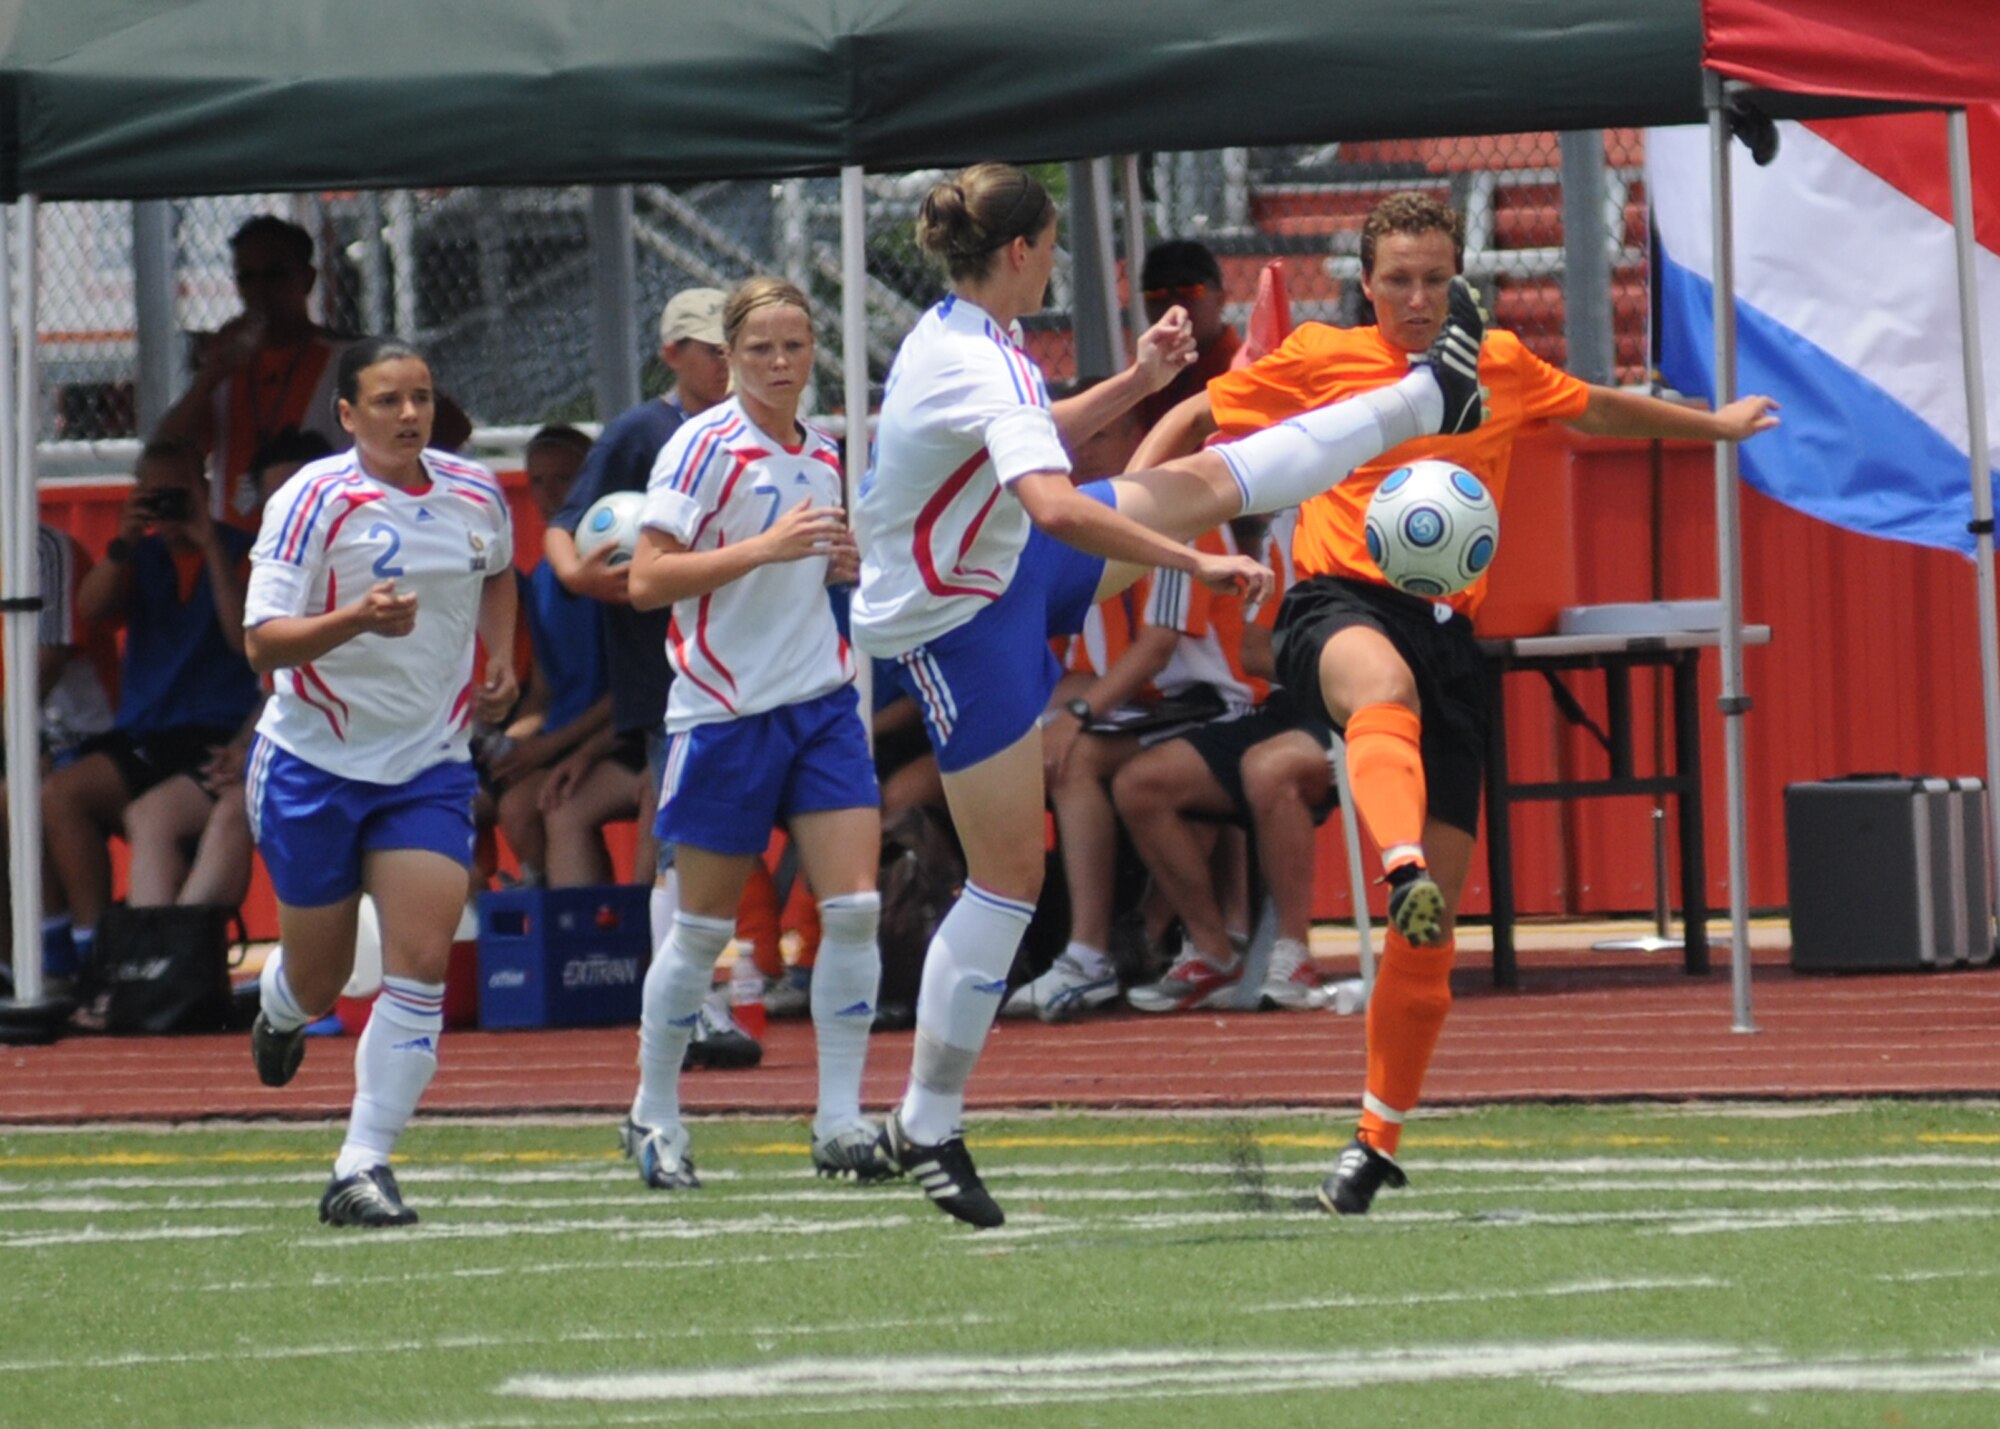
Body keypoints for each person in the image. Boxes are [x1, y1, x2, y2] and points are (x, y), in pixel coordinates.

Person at [849, 161, 1489, 1228]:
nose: (1055, 260)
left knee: (1206, 480)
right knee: (1008, 881)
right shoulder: (974, 360)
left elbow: (1030, 435)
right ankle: (925, 1120)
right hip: (960, 623)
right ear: (1019, 254)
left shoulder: (971, 333)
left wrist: (1138, 383)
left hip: (997, 563)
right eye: (1051, 244)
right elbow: (1053, 505)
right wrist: (1185, 566)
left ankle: (1427, 394)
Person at [1136, 190, 1779, 1215]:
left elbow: (1595, 405)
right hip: (1335, 603)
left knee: (1428, 945)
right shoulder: (1319, 354)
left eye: (1434, 277)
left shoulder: (1495, 366)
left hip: (1448, 639)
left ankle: (1373, 1142)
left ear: (1458, 276)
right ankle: (1395, 866)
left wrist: (1712, 425)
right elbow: (1196, 412)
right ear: (1364, 280)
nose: (1417, 296)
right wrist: (1132, 508)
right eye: (1397, 278)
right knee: (1376, 690)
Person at [619, 276, 890, 1189]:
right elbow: (648, 579)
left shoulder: (825, 447)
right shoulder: (700, 448)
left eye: (797, 345)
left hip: (818, 702)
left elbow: (821, 570)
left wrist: (841, 563)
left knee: (855, 907)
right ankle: (654, 1114)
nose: (782, 363)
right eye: (762, 348)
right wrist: (766, 550)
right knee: (700, 933)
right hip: (725, 711)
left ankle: (841, 1119)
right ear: (728, 356)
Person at [241, 337, 518, 1228]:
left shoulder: (474, 491)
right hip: (315, 762)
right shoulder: (313, 500)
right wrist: (355, 616)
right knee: (324, 982)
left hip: (427, 763)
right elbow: (262, 642)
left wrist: (502, 655)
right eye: (389, 401)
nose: (410, 416)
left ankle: (363, 1163)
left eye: (423, 398)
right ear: (348, 415)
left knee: (423, 958)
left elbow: (500, 571)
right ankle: (283, 1001)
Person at [541, 288, 757, 1064]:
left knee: (737, 836)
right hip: (673, 677)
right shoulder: (645, 431)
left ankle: (715, 993)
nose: (729, 363)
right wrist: (581, 579)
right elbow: (567, 524)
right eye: (712, 349)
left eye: (738, 345)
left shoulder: (760, 430)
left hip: (757, 666)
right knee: (685, 839)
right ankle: (690, 1008)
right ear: (673, 355)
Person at [39, 440, 261, 975]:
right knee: (60, 795)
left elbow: (243, 640)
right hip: (147, 732)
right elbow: (91, 610)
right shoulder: (140, 556)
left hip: (213, 730)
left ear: (204, 488)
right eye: (154, 492)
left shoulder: (241, 550)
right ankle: (98, 950)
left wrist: (207, 545)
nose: (167, 503)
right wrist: (124, 540)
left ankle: (148, 967)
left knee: (153, 817)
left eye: (178, 491)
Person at [1112, 515, 1344, 1012]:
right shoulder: (1284, 536)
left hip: (1352, 703)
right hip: (1291, 702)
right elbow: (1257, 653)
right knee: (1141, 784)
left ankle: (1294, 951)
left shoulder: (1366, 534)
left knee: (1268, 769)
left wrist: (1351, 669)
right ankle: (1213, 951)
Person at [123, 429, 336, 915]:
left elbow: (336, 692)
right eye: (273, 502)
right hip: (275, 747)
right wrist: (244, 746)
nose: (286, 512)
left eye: (300, 496)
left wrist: (261, 752)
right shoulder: (276, 573)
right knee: (151, 814)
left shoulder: (362, 569)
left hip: (346, 755)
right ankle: (155, 968)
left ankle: (173, 965)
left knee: (235, 811)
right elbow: (272, 684)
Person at [152, 215, 350, 532]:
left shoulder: (346, 361)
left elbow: (443, 431)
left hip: (320, 542)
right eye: (247, 278)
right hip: (235, 552)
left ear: (308, 279)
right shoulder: (227, 364)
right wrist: (209, 377)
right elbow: (162, 454)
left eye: (275, 275)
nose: (261, 290)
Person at [485, 425, 616, 886]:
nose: (548, 493)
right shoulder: (541, 578)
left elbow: (628, 693)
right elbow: (543, 690)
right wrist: (509, 741)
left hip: (618, 740)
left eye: (563, 478)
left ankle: (590, 933)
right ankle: (538, 909)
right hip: (564, 739)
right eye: (537, 481)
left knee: (543, 805)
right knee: (499, 804)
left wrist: (548, 747)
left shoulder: (614, 570)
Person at [1136, 240, 1240, 431]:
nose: (1174, 306)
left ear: (1221, 298)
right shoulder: (1143, 374)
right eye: (1157, 294)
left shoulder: (1241, 367)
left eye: (1189, 291)